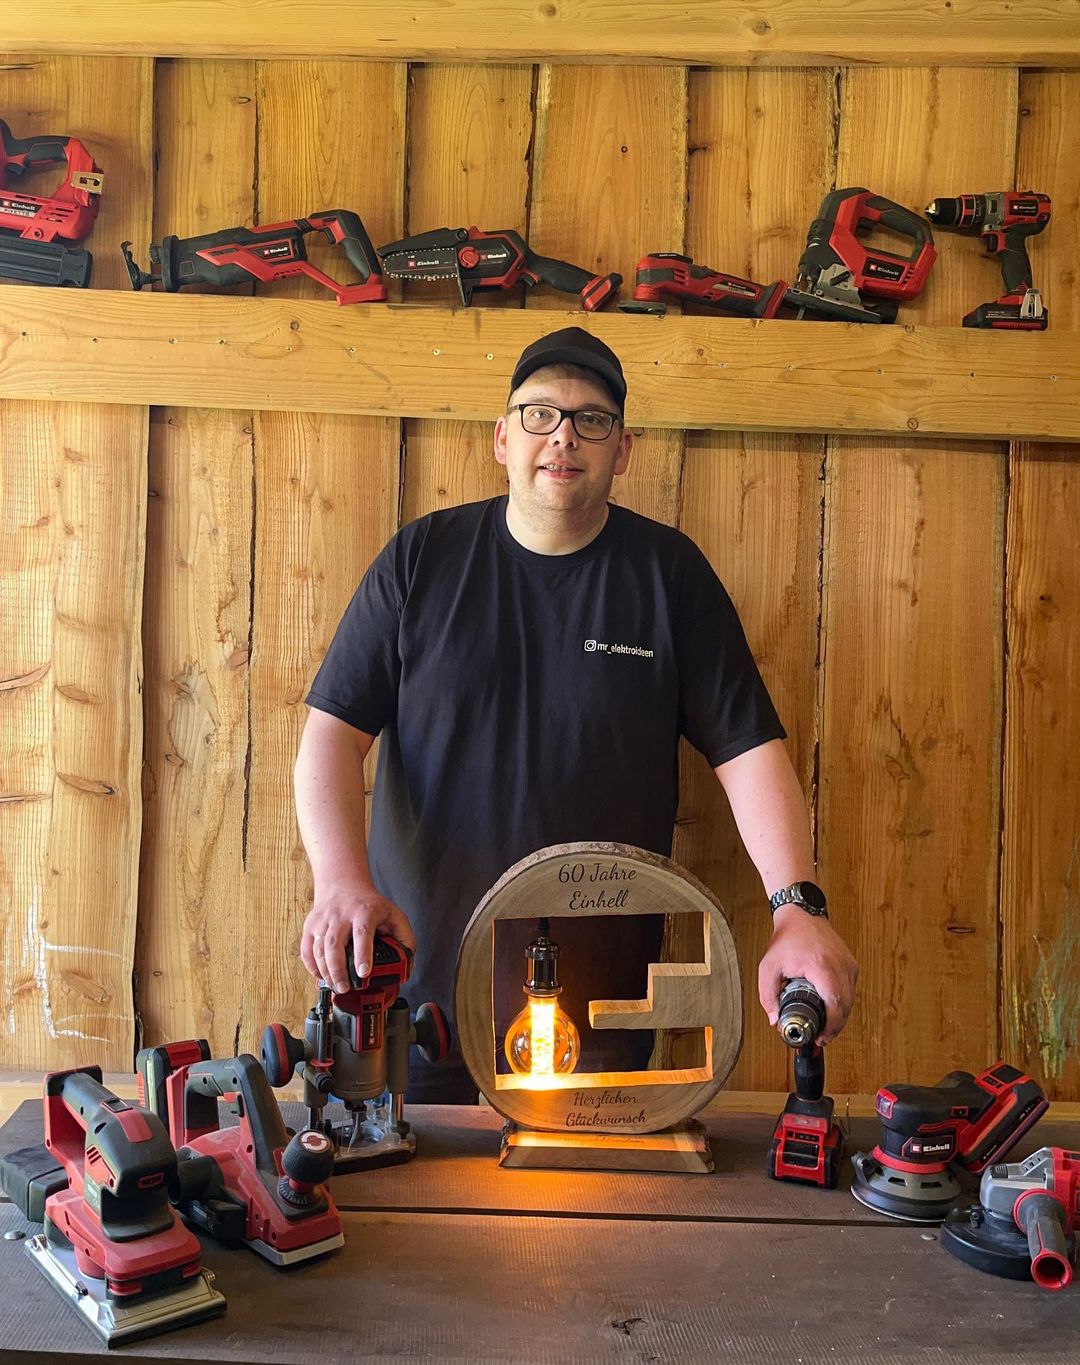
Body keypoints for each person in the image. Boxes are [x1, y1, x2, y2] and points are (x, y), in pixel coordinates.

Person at [294, 326, 858, 1101]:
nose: (563, 435)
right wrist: (339, 883)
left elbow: (749, 751)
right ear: (502, 438)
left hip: (602, 1023)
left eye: (592, 420)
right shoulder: (421, 560)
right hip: (414, 1007)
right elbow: (330, 735)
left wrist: (798, 908)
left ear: (622, 449)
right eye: (539, 414)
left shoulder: (671, 577)